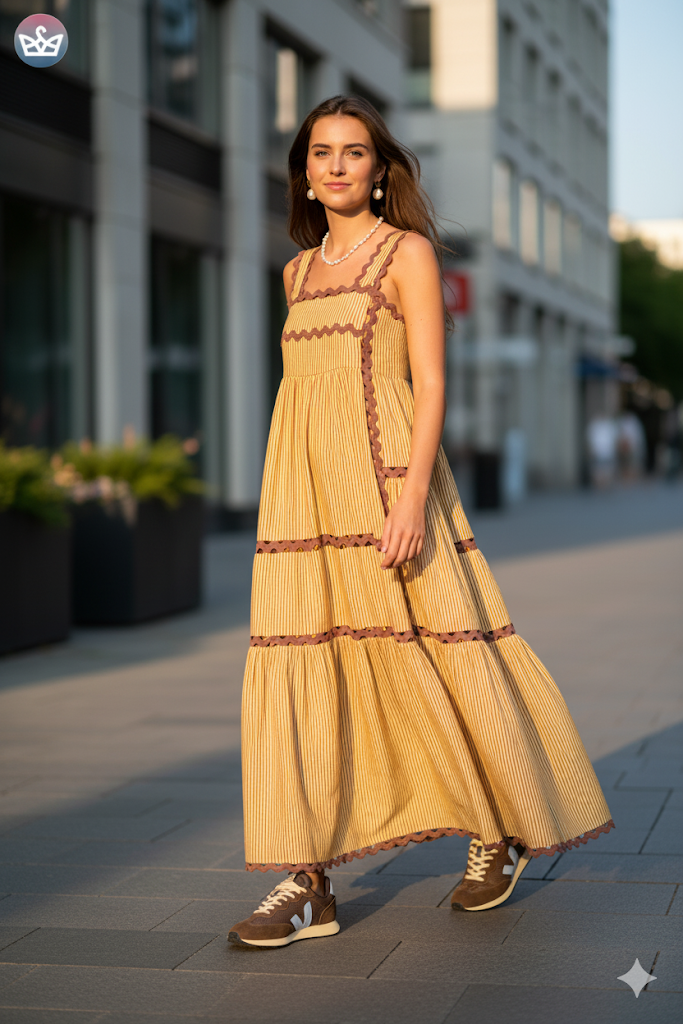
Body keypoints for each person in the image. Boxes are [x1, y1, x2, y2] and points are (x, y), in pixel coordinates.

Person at [228, 96, 614, 949]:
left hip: (391, 483)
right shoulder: (293, 274)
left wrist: (409, 498)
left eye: (352, 152)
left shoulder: (406, 253)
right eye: (319, 152)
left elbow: (431, 383)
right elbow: (301, 395)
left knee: (444, 658)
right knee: (311, 670)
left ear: (378, 168)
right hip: (302, 496)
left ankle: (495, 830)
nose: (334, 166)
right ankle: (306, 881)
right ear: (302, 170)